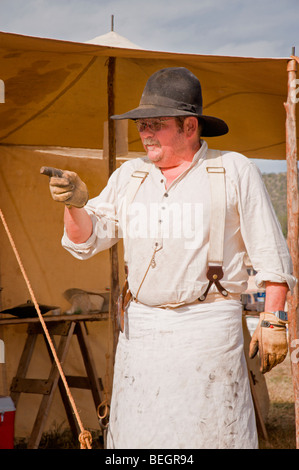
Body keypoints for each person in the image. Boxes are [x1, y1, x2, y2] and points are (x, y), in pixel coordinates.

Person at [42, 67, 295, 449]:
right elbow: (87, 240)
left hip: (208, 329)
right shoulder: (130, 176)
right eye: (141, 125)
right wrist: (75, 205)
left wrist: (274, 318)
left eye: (155, 124)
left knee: (212, 436)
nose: (144, 133)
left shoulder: (232, 170)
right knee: (136, 441)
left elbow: (271, 252)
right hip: (141, 334)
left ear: (189, 127)